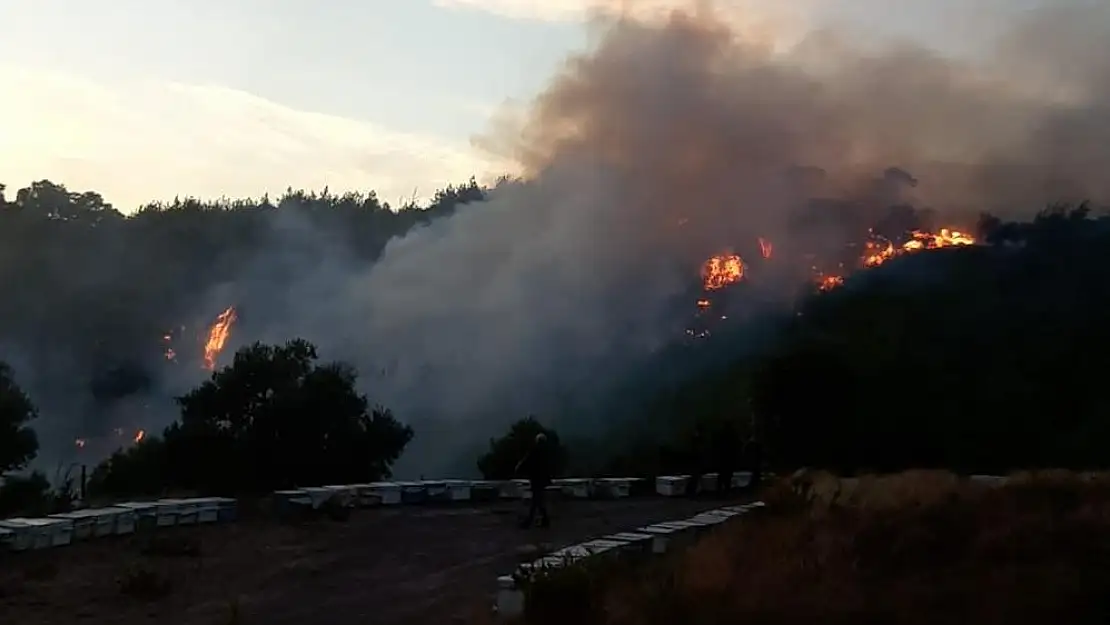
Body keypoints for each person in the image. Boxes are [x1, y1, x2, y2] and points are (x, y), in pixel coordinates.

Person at [516, 432, 553, 528]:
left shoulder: (535, 450)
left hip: (536, 478)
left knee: (536, 500)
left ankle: (529, 521)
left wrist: (519, 468)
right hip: (543, 479)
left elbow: (526, 461)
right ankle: (544, 520)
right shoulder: (547, 452)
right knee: (538, 500)